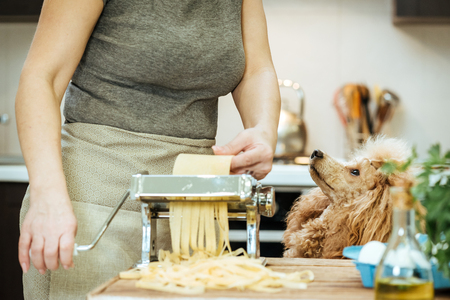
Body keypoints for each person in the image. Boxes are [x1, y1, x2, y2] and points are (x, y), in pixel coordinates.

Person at [15, 0, 280, 299]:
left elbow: (257, 69)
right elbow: (40, 78)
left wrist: (264, 128)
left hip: (193, 203)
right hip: (94, 202)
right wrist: (47, 195)